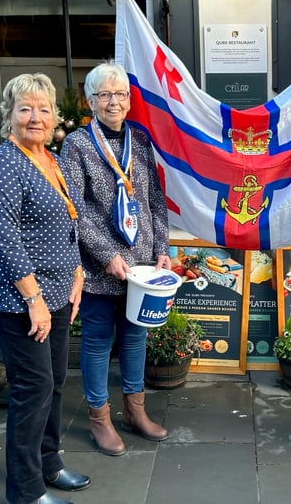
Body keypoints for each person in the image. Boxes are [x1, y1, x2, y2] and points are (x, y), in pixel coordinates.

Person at [0, 73, 90, 504]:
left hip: (59, 293)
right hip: (20, 301)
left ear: (54, 117)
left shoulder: (52, 158)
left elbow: (69, 219)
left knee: (56, 382)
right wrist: (35, 300)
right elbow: (4, 235)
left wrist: (78, 273)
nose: (35, 117)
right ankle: (24, 490)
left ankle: (49, 462)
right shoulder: (3, 161)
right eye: (25, 108)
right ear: (10, 115)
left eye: (44, 109)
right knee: (34, 388)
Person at [60, 61, 171, 456]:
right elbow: (75, 207)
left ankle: (134, 412)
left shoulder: (139, 139)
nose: (113, 101)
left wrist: (163, 249)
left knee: (136, 338)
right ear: (91, 100)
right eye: (104, 94)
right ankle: (99, 419)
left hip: (140, 266)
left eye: (120, 94)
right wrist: (106, 254)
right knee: (96, 343)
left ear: (128, 100)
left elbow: (154, 199)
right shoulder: (76, 144)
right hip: (97, 268)